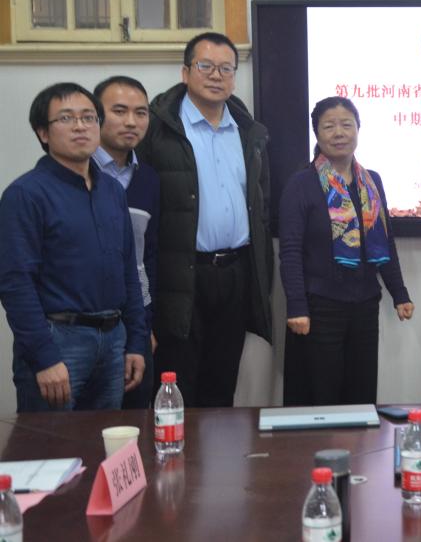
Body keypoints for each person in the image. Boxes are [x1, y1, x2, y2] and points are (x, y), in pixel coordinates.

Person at [137, 32, 274, 407]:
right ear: (185, 72)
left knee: (221, 384)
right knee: (177, 385)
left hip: (235, 272)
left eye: (226, 68)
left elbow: (261, 205)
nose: (216, 75)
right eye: (206, 66)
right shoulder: (157, 129)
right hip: (180, 276)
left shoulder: (249, 132)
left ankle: (217, 449)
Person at [0, 83, 147, 411]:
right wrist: (44, 358)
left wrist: (136, 341)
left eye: (88, 117)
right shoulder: (25, 194)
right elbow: (15, 284)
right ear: (43, 133)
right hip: (59, 341)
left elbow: (129, 271)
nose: (80, 126)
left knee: (106, 438)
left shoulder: (112, 191)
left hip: (114, 340)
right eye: (66, 118)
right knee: (51, 441)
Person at [278, 96, 413, 405]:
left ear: (358, 129)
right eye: (329, 126)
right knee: (321, 395)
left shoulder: (372, 182)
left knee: (361, 394)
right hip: (319, 308)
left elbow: (385, 240)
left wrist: (400, 294)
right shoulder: (301, 184)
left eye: (346, 125)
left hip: (365, 303)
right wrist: (296, 306)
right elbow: (290, 251)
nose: (339, 133)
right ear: (317, 133)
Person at [93, 76, 160, 409]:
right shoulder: (76, 172)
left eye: (141, 113)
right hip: (83, 323)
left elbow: (148, 258)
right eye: (119, 111)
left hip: (135, 321)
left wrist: (144, 326)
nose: (131, 121)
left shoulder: (148, 178)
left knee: (136, 424)